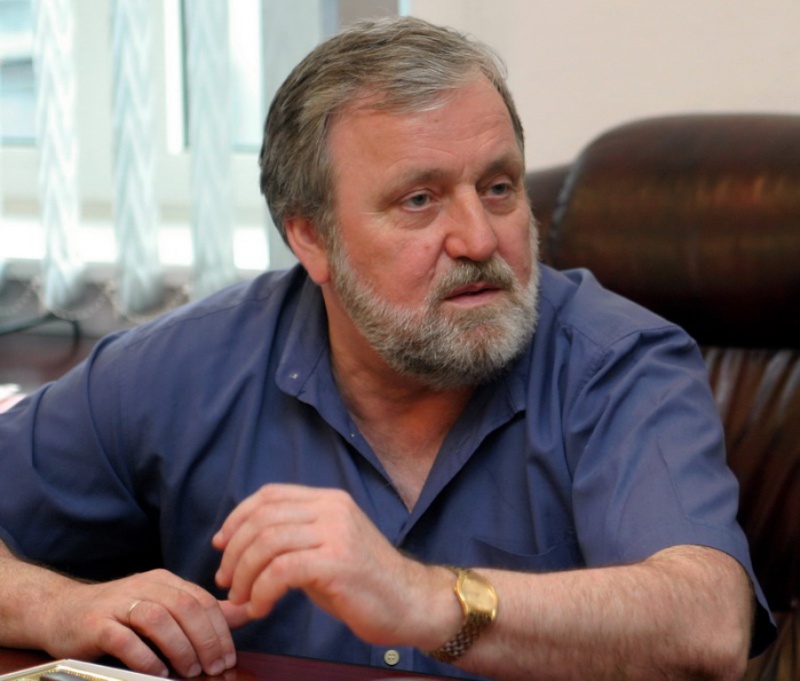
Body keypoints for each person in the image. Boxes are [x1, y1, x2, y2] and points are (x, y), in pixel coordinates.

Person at [0, 15, 774, 681]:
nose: (480, 239)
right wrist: (60, 605)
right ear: (311, 238)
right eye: (420, 200)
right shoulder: (189, 366)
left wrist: (424, 598)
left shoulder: (617, 361)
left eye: (499, 187)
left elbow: (706, 623)